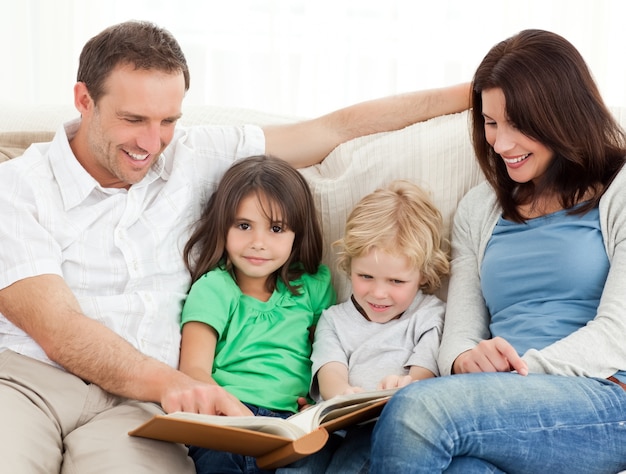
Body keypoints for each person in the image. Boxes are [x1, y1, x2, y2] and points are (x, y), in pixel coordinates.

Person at [0, 20, 469, 473]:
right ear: (84, 100)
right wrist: (182, 386)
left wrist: (476, 91)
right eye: (133, 119)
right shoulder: (17, 187)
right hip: (30, 382)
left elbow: (334, 130)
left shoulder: (195, 154)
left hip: (137, 410)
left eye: (167, 120)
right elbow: (57, 327)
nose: (151, 142)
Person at [369, 29, 626, 473]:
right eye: (490, 123)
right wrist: (467, 360)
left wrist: (517, 373)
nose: (501, 144)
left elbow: (617, 335)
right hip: (498, 403)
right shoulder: (479, 208)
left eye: (518, 124)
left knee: (418, 412)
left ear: (563, 114)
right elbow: (460, 335)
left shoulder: (620, 189)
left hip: (602, 396)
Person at [178, 154, 336, 473]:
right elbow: (193, 371)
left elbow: (330, 349)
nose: (258, 243)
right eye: (244, 226)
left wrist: (318, 399)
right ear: (223, 226)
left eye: (276, 228)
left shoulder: (314, 285)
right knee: (217, 458)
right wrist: (231, 412)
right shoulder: (214, 289)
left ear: (297, 234)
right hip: (226, 418)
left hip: (292, 422)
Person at [310, 179, 448, 401]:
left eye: (396, 281)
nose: (379, 293)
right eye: (366, 276)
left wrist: (404, 385)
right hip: (345, 422)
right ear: (349, 265)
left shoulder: (431, 316)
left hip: (404, 409)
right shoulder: (334, 321)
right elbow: (330, 375)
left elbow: (423, 377)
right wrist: (344, 394)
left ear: (422, 274)